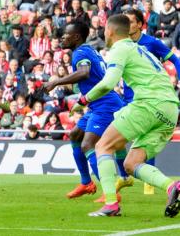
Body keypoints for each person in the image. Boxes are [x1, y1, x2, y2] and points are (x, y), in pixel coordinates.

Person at [74, 14, 180, 217]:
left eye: (104, 29)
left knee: (102, 146)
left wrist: (84, 99)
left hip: (150, 104)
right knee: (131, 163)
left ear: (110, 30)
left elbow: (109, 83)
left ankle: (111, 205)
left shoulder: (119, 48)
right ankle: (172, 187)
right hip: (170, 110)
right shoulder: (141, 49)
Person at [43, 21, 124, 200]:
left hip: (105, 104)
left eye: (66, 34)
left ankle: (110, 191)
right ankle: (86, 182)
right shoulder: (88, 50)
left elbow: (84, 72)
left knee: (88, 144)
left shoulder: (80, 52)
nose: (62, 37)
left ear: (77, 37)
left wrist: (55, 81)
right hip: (97, 104)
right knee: (75, 135)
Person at [118, 8, 180, 195]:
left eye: (131, 21)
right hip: (129, 98)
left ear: (140, 24)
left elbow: (175, 59)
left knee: (141, 139)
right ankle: (127, 176)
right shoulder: (122, 44)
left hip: (150, 98)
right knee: (116, 139)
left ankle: (146, 181)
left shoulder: (151, 43)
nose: (126, 25)